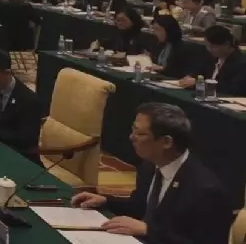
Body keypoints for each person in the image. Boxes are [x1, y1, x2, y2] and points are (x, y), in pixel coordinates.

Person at [71, 103, 232, 243]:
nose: (131, 137)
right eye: (133, 130)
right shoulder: (150, 166)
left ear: (166, 142)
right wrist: (106, 201)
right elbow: (139, 207)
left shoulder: (206, 191)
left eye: (140, 134)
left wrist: (148, 230)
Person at [178, 26, 245, 96]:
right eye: (207, 46)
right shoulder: (211, 58)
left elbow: (232, 89)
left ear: (227, 44)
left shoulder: (241, 63)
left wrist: (199, 84)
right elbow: (198, 74)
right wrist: (189, 78)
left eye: (213, 47)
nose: (209, 49)